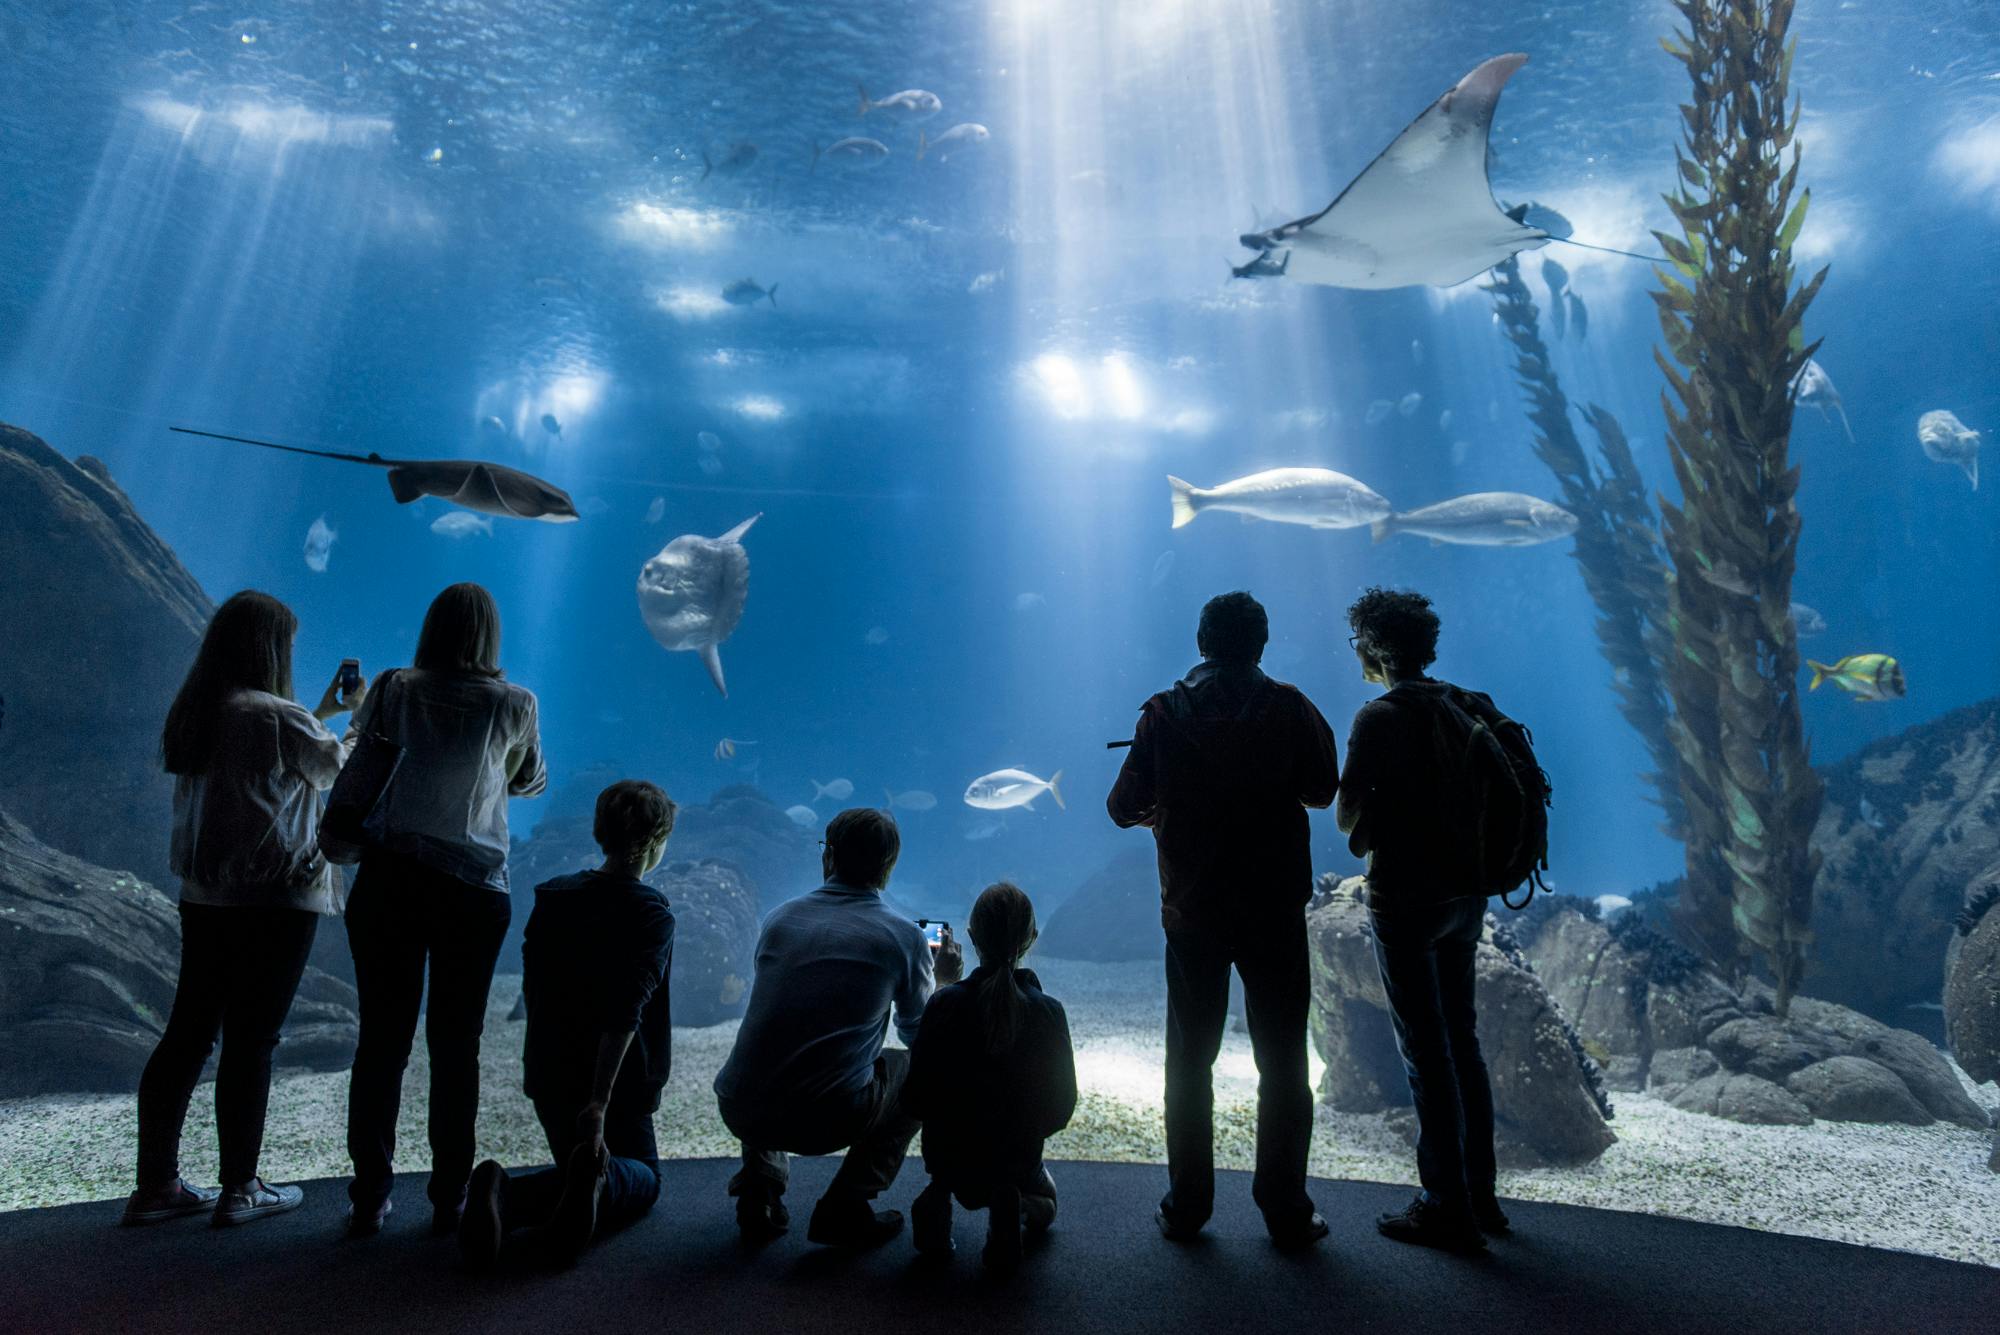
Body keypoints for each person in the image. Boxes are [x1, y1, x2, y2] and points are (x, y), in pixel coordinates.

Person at [123, 591, 364, 1228]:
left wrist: (319, 713)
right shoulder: (279, 715)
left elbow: (277, 764)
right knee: (253, 1039)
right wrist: (357, 717)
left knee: (188, 1034)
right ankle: (241, 1188)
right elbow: (335, 770)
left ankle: (156, 1185)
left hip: (206, 899)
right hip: (274, 901)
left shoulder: (201, 711)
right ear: (270, 648)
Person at [1107, 590, 1339, 1249]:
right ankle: (1285, 1208)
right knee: (1284, 1060)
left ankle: (1188, 1205)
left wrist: (1168, 806)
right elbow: (1323, 789)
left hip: (1193, 910)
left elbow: (1122, 806)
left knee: (1189, 1060)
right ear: (1261, 643)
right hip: (1273, 907)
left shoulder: (1163, 711)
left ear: (1201, 641)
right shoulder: (1290, 706)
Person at [341, 582, 547, 1238]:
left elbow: (361, 753)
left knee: (381, 1042)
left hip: (389, 880)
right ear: (490, 634)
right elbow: (528, 778)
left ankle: (370, 1194)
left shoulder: (392, 688)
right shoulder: (515, 702)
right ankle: (450, 1194)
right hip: (473, 887)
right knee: (456, 1047)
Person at [1336, 586, 1505, 1254]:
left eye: (1359, 642)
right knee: (1462, 1040)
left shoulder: (1378, 717)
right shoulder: (1466, 704)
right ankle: (1482, 1196)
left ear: (1375, 649)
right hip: (1467, 894)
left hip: (1406, 898)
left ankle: (1444, 1205)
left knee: (1424, 1051)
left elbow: (1348, 817)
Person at [713, 807, 963, 1249]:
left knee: (774, 1045)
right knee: (919, 1074)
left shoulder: (779, 919)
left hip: (740, 1107)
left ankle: (759, 1191)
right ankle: (846, 1206)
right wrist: (942, 983)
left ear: (828, 856)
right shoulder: (902, 936)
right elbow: (921, 1040)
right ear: (888, 867)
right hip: (826, 1121)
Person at [459, 779, 676, 1270]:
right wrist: (599, 1103)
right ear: (657, 841)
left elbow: (536, 989)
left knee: (579, 1174)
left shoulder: (553, 896)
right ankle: (551, 1187)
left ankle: (501, 1194)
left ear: (600, 832)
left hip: (550, 1078)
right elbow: (625, 1010)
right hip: (617, 1088)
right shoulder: (650, 912)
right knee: (642, 1179)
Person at [902, 881, 1077, 1273]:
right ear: (1032, 938)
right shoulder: (1049, 1011)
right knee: (1047, 1206)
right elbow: (1061, 1108)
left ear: (971, 936)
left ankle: (937, 1195)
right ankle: (1012, 1201)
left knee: (949, 1169)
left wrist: (943, 986)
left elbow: (916, 1095)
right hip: (1014, 1160)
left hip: (947, 1157)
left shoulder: (944, 1003)